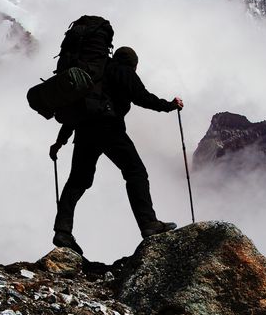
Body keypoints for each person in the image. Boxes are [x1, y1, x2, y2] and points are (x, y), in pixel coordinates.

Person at [50, 46, 184, 256]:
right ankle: (148, 223)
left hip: (84, 131)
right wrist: (169, 106)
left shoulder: (95, 74)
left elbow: (78, 109)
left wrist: (60, 141)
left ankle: (62, 231)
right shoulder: (123, 71)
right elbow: (142, 97)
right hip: (109, 128)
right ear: (133, 63)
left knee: (78, 180)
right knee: (135, 172)